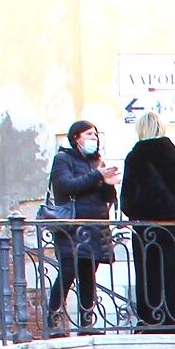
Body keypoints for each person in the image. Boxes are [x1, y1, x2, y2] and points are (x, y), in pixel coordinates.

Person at [118, 102, 175, 331]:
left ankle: (149, 321)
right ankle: (170, 321)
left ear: (141, 130)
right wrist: (170, 207)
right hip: (171, 226)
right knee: (171, 273)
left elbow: (127, 200)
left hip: (145, 228)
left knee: (146, 273)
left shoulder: (134, 157)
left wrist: (142, 212)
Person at [45, 120, 118, 333]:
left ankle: (87, 323)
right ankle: (54, 319)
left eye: (95, 135)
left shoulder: (97, 162)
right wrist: (98, 176)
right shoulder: (63, 159)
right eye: (88, 135)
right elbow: (65, 186)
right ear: (76, 138)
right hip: (73, 228)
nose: (93, 138)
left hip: (95, 228)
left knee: (88, 275)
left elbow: (106, 197)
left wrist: (108, 183)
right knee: (67, 272)